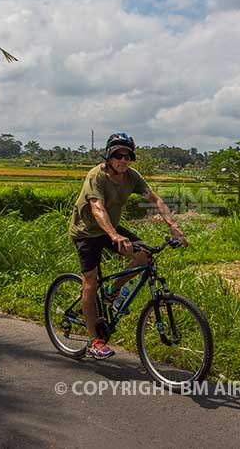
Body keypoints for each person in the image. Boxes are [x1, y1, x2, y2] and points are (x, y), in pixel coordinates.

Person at [69, 132, 188, 359]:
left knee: (145, 255)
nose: (123, 160)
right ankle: (94, 340)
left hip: (111, 228)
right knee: (90, 281)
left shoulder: (132, 177)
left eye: (127, 156)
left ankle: (112, 292)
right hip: (87, 231)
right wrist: (114, 235)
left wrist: (173, 226)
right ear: (108, 156)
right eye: (118, 155)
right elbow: (97, 208)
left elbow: (156, 200)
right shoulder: (96, 177)